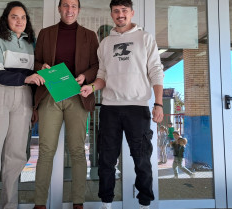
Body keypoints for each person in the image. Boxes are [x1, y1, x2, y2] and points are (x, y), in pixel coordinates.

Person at [80, 0, 164, 208]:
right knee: (106, 159)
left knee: (142, 158)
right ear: (111, 14)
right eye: (116, 11)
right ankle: (106, 202)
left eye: (124, 11)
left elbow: (156, 70)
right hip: (110, 108)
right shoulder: (105, 43)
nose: (120, 14)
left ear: (132, 13)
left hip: (138, 108)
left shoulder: (145, 38)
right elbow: (102, 76)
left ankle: (144, 201)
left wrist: (159, 104)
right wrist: (92, 87)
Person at [0, 2, 44, 209]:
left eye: (23, 17)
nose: (19, 21)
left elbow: (31, 75)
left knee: (16, 156)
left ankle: (9, 205)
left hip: (23, 98)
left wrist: (34, 106)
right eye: (14, 17)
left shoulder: (30, 44)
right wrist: (29, 78)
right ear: (6, 19)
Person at [32, 0, 99, 208]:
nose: (69, 10)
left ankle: (78, 202)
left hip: (77, 95)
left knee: (78, 150)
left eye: (73, 6)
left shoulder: (89, 35)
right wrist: (41, 66)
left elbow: (98, 65)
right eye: (65, 5)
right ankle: (40, 203)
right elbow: (33, 62)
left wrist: (85, 76)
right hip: (50, 94)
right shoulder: (45, 33)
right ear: (59, 8)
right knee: (45, 150)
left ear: (78, 10)